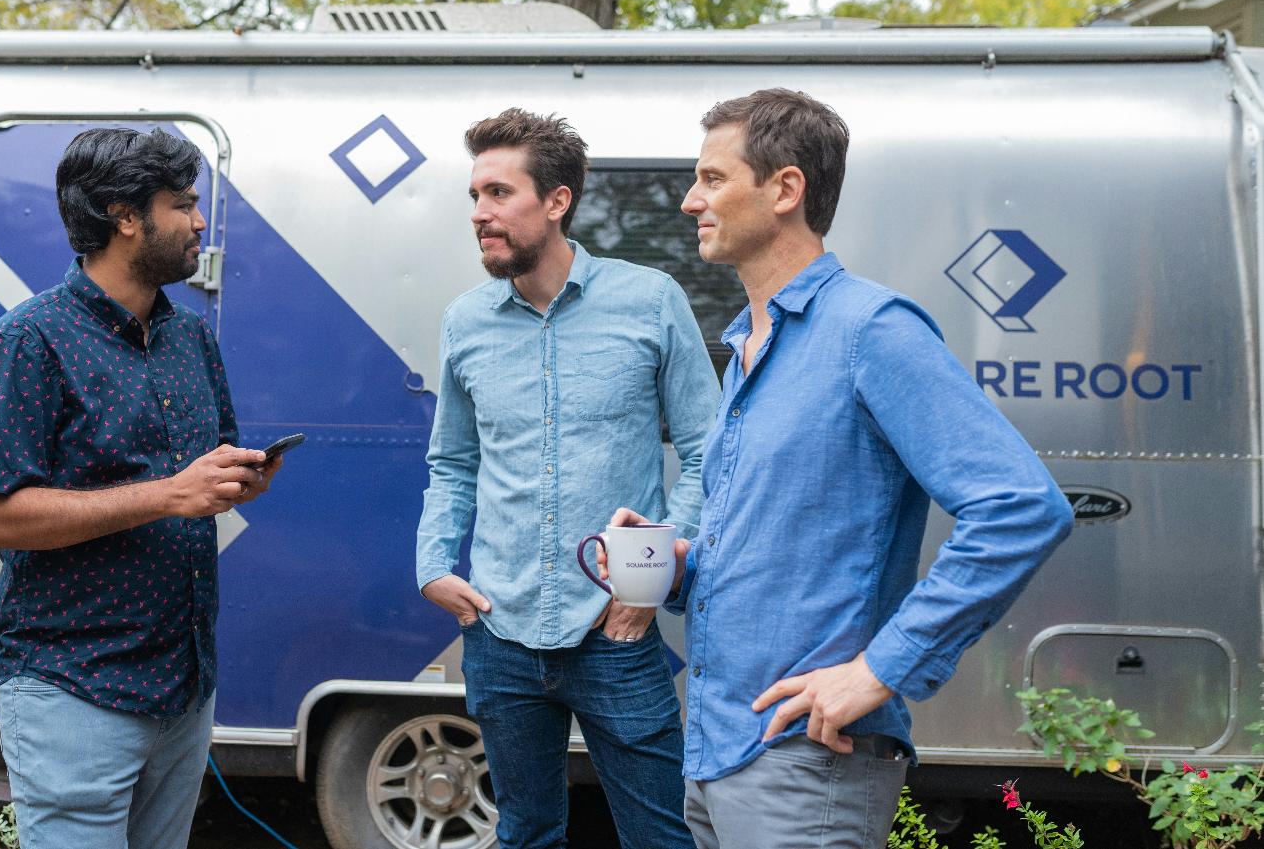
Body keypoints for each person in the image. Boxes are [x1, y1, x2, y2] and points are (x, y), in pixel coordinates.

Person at [613, 88, 1073, 848]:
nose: (691, 199)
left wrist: (879, 669)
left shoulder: (871, 330)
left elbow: (1022, 507)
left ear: (786, 189)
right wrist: (677, 563)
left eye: (713, 179)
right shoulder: (749, 348)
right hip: (717, 749)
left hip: (808, 760)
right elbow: (786, 540)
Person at [0, 127, 282, 849]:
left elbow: (197, 480)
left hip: (183, 687)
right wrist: (169, 493)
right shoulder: (28, 340)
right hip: (76, 690)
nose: (200, 222)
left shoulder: (190, 338)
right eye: (183, 204)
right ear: (125, 217)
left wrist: (232, 482)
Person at [416, 108, 720, 849]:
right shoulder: (466, 321)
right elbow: (453, 462)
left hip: (617, 633)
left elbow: (711, 450)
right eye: (475, 196)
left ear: (557, 201)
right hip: (500, 630)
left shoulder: (650, 300)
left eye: (498, 193)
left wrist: (647, 580)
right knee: (524, 835)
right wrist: (432, 564)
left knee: (661, 838)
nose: (480, 213)